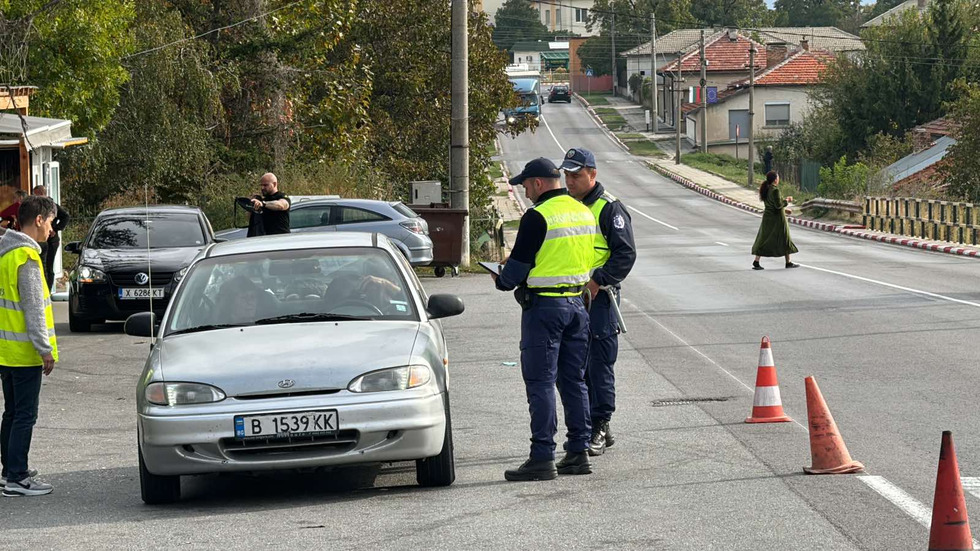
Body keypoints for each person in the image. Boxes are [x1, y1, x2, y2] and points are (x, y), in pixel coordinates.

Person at [492, 157, 597, 482]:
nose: (525, 191)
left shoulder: (537, 217)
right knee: (574, 381)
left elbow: (516, 272)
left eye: (525, 185)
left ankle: (542, 457)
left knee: (540, 382)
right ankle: (578, 452)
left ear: (538, 183)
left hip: (544, 310)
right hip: (578, 305)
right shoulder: (583, 211)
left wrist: (501, 277)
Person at [560, 147, 636, 456]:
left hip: (598, 299)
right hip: (568, 297)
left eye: (576, 176)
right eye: (566, 175)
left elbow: (625, 254)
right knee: (572, 366)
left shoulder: (609, 208)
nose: (570, 181)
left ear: (593, 174)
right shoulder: (565, 205)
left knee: (599, 364)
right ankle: (583, 424)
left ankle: (600, 425)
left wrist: (598, 280)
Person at [0, 195, 59, 497]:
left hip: (6, 351)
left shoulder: (5, 254)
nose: (51, 230)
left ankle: (9, 471)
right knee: (25, 415)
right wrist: (44, 348)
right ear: (38, 220)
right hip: (24, 353)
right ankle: (18, 478)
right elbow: (34, 307)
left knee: (11, 413)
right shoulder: (27, 258)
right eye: (50, 222)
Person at [752, 171, 799, 270]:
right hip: (778, 219)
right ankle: (788, 262)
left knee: (764, 238)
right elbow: (778, 205)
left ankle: (757, 261)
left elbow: (771, 205)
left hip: (768, 218)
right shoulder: (775, 190)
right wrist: (787, 200)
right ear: (775, 179)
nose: (779, 179)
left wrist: (785, 209)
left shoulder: (766, 189)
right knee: (785, 238)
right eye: (778, 177)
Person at [31, 186, 70, 292]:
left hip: (51, 240)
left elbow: (65, 216)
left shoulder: (52, 205)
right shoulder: (38, 206)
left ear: (40, 193)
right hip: (41, 239)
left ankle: (47, 291)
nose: (34, 197)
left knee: (48, 266)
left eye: (35, 194)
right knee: (41, 266)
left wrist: (55, 229)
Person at [246, 173, 291, 237]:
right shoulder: (262, 200)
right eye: (261, 185)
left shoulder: (282, 196)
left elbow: (281, 205)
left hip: (281, 237)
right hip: (265, 238)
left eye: (265, 185)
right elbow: (250, 218)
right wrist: (251, 206)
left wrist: (263, 204)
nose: (262, 188)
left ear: (274, 184)